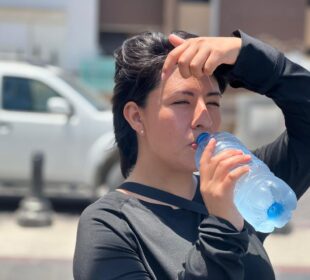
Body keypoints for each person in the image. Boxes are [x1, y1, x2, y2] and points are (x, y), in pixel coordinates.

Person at [73, 29, 310, 280]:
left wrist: (244, 54)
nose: (204, 119)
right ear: (136, 116)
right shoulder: (111, 225)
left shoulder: (241, 186)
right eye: (182, 102)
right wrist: (222, 226)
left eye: (213, 102)